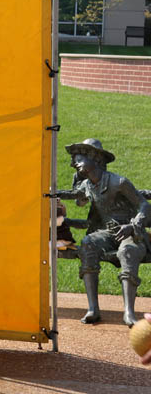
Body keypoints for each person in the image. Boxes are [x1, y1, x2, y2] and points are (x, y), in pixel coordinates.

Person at [64, 138, 150, 327]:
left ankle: (129, 312)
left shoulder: (119, 182)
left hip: (130, 232)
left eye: (79, 159)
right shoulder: (88, 185)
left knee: (127, 252)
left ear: (95, 158)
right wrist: (75, 184)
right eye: (74, 160)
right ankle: (93, 309)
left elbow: (144, 204)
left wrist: (133, 225)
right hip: (107, 233)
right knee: (87, 243)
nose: (74, 163)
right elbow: (79, 200)